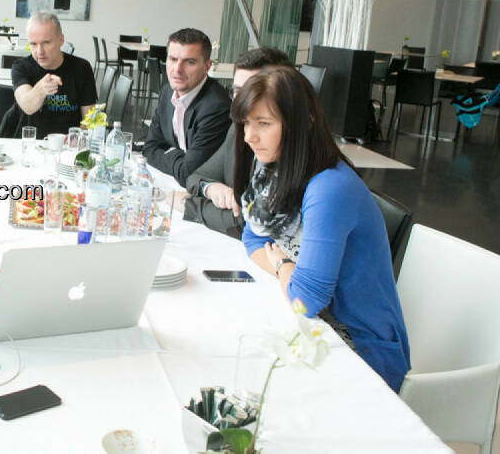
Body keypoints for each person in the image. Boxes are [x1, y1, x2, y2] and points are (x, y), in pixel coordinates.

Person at [232, 66, 410, 392]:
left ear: (304, 123)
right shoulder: (272, 168)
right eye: (246, 122)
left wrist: (283, 264)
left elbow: (305, 299)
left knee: (250, 377)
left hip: (362, 350)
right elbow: (252, 236)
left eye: (263, 124)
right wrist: (289, 274)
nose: (248, 136)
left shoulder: (330, 188)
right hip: (317, 331)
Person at [181, 47, 292, 237]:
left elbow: (248, 223)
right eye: (238, 91)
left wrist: (187, 205)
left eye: (254, 90)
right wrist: (211, 188)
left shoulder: (289, 147)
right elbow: (195, 176)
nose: (242, 101)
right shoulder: (238, 129)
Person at [143, 27, 230, 187]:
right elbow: (149, 149)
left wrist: (169, 153)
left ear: (207, 66)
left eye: (190, 62)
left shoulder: (216, 107)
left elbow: (189, 173)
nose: (177, 69)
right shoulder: (167, 91)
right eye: (173, 59)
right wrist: (180, 157)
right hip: (171, 183)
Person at [11, 11, 97, 138]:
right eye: (33, 44)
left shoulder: (82, 68)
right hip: (32, 144)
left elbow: (90, 119)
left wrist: (78, 136)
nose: (39, 51)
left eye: (46, 43)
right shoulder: (21, 67)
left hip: (68, 147)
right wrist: (41, 89)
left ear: (61, 40)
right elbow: (27, 106)